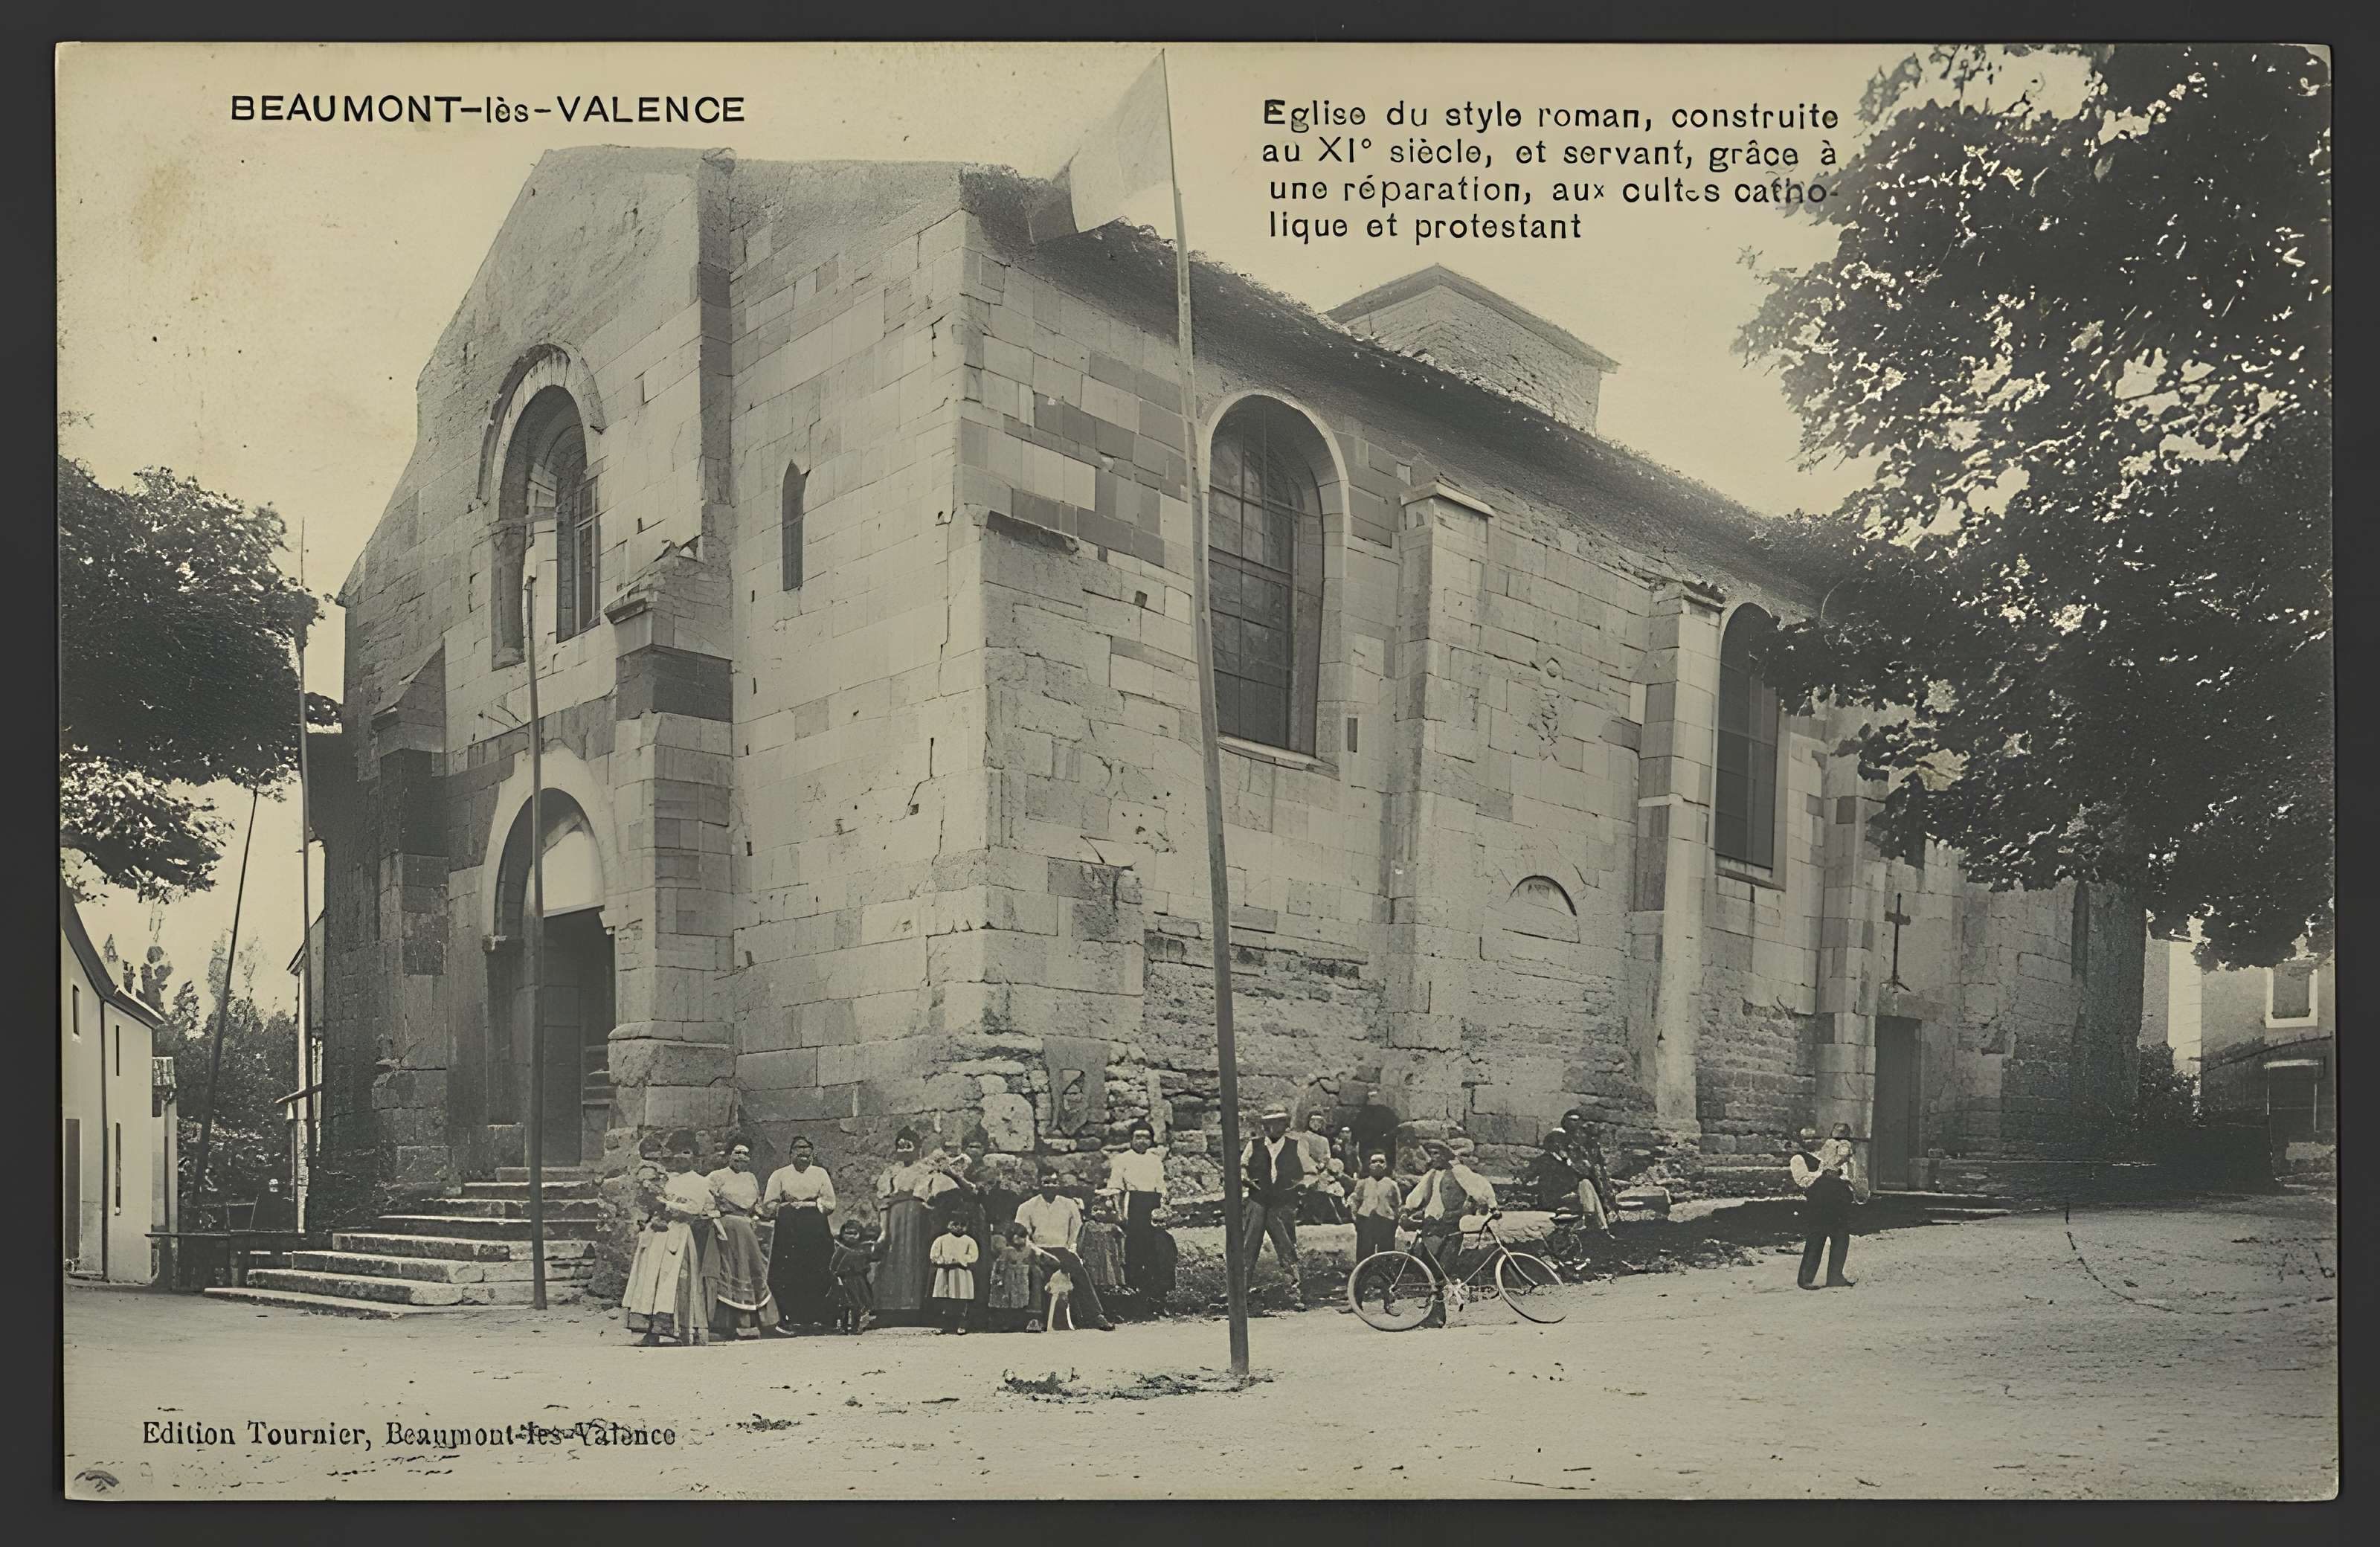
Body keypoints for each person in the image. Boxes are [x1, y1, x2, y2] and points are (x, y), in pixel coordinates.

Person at [621, 1148, 721, 1346]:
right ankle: (651, 1331)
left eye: (686, 1152)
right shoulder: (667, 1179)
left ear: (695, 1156)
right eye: (677, 1153)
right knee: (650, 1279)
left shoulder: (701, 1182)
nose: (680, 1157)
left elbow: (698, 1209)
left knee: (676, 1279)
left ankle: (682, 1330)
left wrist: (669, 1207)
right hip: (658, 1234)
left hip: (680, 1233)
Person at [1402, 1139, 1495, 1327]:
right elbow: (1415, 1197)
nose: (1433, 1157)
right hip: (1431, 1225)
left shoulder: (1459, 1172)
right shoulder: (1430, 1175)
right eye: (1432, 1154)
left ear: (1446, 1155)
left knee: (1443, 1268)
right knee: (1431, 1269)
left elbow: (1477, 1191)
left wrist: (1487, 1206)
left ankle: (1437, 1314)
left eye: (1437, 1153)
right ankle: (1435, 1312)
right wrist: (1407, 1209)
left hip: (1450, 1225)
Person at [1013, 1169, 1117, 1331]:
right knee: (1037, 1273)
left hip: (1063, 1249)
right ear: (1039, 1185)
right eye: (1046, 1182)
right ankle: (1035, 1319)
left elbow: (1076, 1231)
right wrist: (1037, 1251)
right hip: (1038, 1250)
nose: (1050, 1186)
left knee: (1078, 1270)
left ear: (1059, 1185)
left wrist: (1071, 1249)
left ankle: (1096, 1315)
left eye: (1054, 1182)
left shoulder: (1069, 1205)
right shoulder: (1027, 1207)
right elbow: (1023, 1235)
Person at [760, 1135, 837, 1332]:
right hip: (789, 1228)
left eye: (807, 1150)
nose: (803, 1154)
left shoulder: (820, 1174)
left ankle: (819, 1318)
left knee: (818, 1268)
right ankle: (790, 1317)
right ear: (790, 1153)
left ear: (812, 1153)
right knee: (788, 1270)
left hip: (815, 1227)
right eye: (798, 1149)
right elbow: (768, 1204)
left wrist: (811, 1206)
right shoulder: (779, 1175)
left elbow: (829, 1202)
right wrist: (788, 1207)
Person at [705, 1140, 776, 1339]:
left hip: (747, 1228)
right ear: (728, 1155)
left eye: (745, 1154)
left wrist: (762, 1215)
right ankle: (724, 1324)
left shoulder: (751, 1178)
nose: (741, 1157)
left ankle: (753, 1323)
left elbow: (756, 1205)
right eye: (737, 1153)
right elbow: (708, 1201)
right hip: (726, 1227)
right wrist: (716, 1219)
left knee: (752, 1269)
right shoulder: (716, 1176)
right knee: (729, 1270)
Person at [1240, 1106, 1309, 1310]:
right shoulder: (1254, 1145)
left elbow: (1309, 1172)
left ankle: (1294, 1293)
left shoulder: (1296, 1145)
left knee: (1287, 1246)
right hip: (1258, 1201)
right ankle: (1241, 1293)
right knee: (1249, 1247)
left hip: (1282, 1203)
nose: (1273, 1127)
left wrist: (1297, 1190)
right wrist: (1245, 1179)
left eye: (1279, 1122)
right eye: (1269, 1123)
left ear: (1285, 1125)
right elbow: (1242, 1167)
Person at [1100, 1122, 1171, 1312]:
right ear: (1131, 1139)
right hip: (1133, 1205)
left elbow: (1161, 1185)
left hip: (1153, 1208)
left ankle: (1157, 1298)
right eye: (1138, 1137)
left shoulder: (1155, 1160)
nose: (1142, 1141)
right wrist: (1120, 1215)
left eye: (1146, 1137)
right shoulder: (1122, 1160)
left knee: (1159, 1251)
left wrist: (1164, 1203)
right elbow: (1115, 1187)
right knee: (1135, 1252)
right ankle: (1136, 1299)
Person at [871, 1128, 937, 1324]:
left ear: (918, 1148)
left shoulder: (925, 1170)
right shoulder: (892, 1172)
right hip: (896, 1216)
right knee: (894, 1256)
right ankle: (891, 1308)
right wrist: (884, 1228)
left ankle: (916, 1307)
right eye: (900, 1147)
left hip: (919, 1216)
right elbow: (884, 1198)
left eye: (908, 1146)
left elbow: (928, 1195)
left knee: (916, 1256)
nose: (904, 1151)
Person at [1789, 1125, 1858, 1289]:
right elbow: (1803, 1181)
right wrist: (1826, 1173)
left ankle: (1835, 1277)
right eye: (1806, 1139)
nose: (1811, 1142)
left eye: (1815, 1138)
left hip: (1838, 1199)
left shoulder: (1832, 1153)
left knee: (1841, 1236)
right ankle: (1806, 1279)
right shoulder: (1799, 1158)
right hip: (1819, 1200)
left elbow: (1850, 1175)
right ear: (1800, 1142)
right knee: (1817, 1237)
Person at [1534, 1108, 1618, 1235]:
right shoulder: (1547, 1162)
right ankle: (1598, 1224)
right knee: (1586, 1184)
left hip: (1570, 1192)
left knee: (1587, 1185)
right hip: (1554, 1196)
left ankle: (1602, 1227)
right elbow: (1547, 1184)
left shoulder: (1567, 1160)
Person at [827, 1220, 881, 1334]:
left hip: (859, 1281)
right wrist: (838, 1278)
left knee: (857, 1305)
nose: (851, 1237)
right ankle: (843, 1327)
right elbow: (833, 1266)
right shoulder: (841, 1249)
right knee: (844, 1305)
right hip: (845, 1281)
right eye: (848, 1233)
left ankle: (855, 1327)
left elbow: (870, 1260)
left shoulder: (862, 1249)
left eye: (854, 1233)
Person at [929, 1215, 980, 1334]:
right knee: (945, 1300)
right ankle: (944, 1325)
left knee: (961, 1301)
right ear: (948, 1225)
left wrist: (959, 1260)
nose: (958, 1228)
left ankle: (962, 1325)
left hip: (962, 1274)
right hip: (945, 1273)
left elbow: (973, 1257)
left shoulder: (969, 1241)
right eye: (955, 1224)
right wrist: (944, 1261)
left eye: (962, 1225)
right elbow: (934, 1256)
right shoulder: (941, 1240)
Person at [1296, 1111, 1347, 1224]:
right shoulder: (1303, 1138)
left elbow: (1327, 1155)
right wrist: (1314, 1167)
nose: (1315, 1124)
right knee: (1311, 1185)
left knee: (1331, 1186)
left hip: (1323, 1170)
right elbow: (1304, 1155)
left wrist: (1323, 1165)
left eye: (1319, 1121)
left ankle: (1331, 1215)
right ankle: (1309, 1216)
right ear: (1308, 1122)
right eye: (1313, 1121)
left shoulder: (1324, 1140)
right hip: (1308, 1171)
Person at [986, 1223, 1038, 1332]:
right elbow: (1000, 1265)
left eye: (1024, 1237)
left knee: (1020, 1301)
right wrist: (998, 1279)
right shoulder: (1008, 1250)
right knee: (1007, 1300)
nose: (1022, 1239)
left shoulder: (1028, 1250)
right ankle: (1004, 1324)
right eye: (1019, 1237)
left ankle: (1017, 1323)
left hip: (1022, 1279)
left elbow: (1031, 1262)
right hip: (1009, 1279)